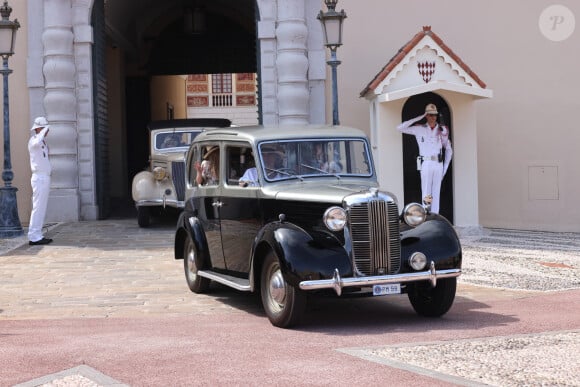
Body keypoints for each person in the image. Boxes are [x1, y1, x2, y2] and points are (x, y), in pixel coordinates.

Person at [396, 103, 453, 213]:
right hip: (426, 162)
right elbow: (400, 128)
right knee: (427, 192)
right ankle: (427, 215)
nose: (433, 117)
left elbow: (449, 149)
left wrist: (445, 168)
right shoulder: (419, 128)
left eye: (435, 115)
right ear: (426, 116)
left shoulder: (442, 130)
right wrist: (420, 117)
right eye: (430, 115)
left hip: (438, 163)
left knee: (436, 192)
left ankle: (435, 215)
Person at [27, 117, 53, 245]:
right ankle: (33, 236)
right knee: (38, 207)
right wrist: (43, 130)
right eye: (45, 128)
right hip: (39, 178)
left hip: (45, 177)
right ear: (38, 128)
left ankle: (37, 234)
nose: (47, 131)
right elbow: (37, 141)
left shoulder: (43, 143)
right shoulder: (34, 141)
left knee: (41, 208)